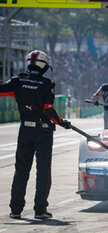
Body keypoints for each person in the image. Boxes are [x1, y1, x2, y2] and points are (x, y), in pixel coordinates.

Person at [0, 50, 71, 220]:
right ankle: (40, 210)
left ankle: (15, 210)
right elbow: (48, 110)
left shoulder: (17, 81)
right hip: (43, 131)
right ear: (44, 66)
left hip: (25, 131)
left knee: (21, 171)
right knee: (43, 171)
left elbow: (1, 90)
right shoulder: (47, 84)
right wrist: (62, 122)